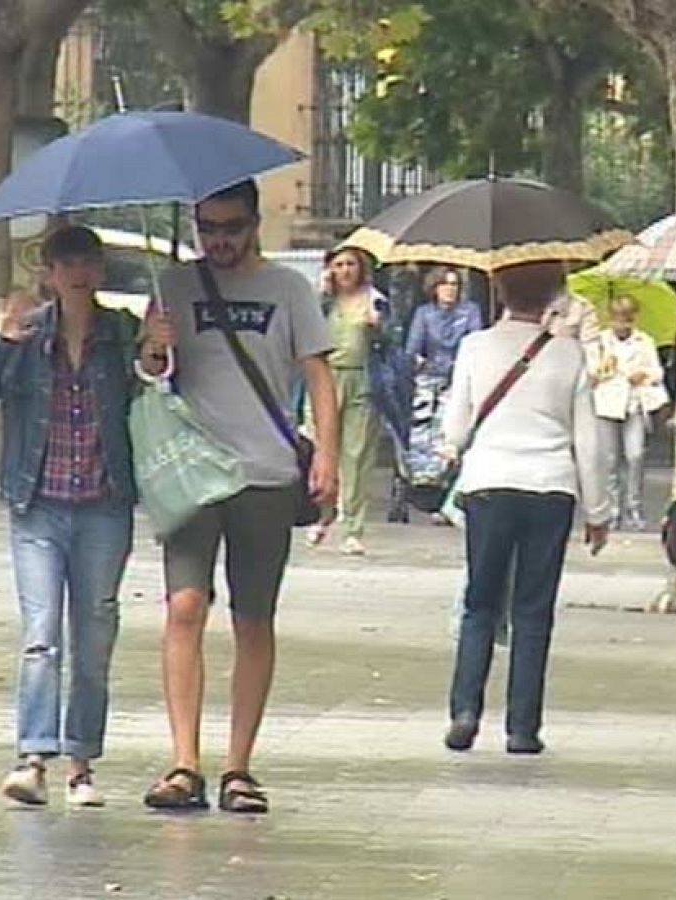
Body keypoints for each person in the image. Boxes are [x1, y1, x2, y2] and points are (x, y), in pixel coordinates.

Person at [141, 180, 340, 814]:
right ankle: (183, 762)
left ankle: (238, 766)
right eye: (207, 227)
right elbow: (150, 377)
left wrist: (329, 457)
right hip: (194, 474)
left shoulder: (288, 289)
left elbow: (318, 373)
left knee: (253, 617)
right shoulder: (173, 285)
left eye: (230, 226)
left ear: (255, 223)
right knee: (184, 607)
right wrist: (153, 348)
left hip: (264, 473)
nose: (219, 240)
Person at [0, 225, 161, 808]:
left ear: (99, 270)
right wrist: (2, 341)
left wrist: (155, 355)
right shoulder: (27, 333)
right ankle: (33, 757)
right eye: (64, 262)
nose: (76, 272)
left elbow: (155, 390)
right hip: (37, 505)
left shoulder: (120, 333)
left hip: (103, 503)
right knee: (42, 636)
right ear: (47, 271)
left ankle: (82, 761)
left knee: (95, 635)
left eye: (86, 261)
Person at [441, 260, 610, 756]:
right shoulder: (569, 355)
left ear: (498, 287)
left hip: (489, 484)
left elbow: (454, 430)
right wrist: (598, 512)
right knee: (533, 609)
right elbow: (590, 440)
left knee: (480, 601)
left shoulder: (475, 347)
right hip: (550, 488)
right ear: (556, 294)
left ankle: (465, 709)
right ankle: (522, 727)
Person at [306, 247, 387, 555]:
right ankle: (322, 515)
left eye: (350, 264)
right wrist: (321, 294)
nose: (345, 270)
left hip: (362, 379)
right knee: (322, 448)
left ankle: (353, 526)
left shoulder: (375, 299)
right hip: (325, 377)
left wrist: (377, 327)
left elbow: (393, 340)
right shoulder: (323, 301)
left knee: (357, 453)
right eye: (339, 264)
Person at [402, 266, 484, 522]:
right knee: (421, 429)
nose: (450, 289)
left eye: (454, 284)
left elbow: (475, 342)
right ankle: (423, 485)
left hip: (459, 377)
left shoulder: (469, 311)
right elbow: (413, 348)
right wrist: (419, 364)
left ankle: (447, 494)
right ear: (434, 288)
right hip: (429, 376)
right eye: (444, 284)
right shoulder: (424, 314)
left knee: (451, 433)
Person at [590, 296, 669, 531]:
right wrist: (603, 368)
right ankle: (612, 508)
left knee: (635, 456)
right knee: (609, 460)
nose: (622, 325)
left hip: (633, 403)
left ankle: (634, 505)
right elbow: (591, 371)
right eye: (618, 319)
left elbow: (657, 372)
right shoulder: (600, 341)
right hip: (607, 404)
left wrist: (643, 375)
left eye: (627, 320)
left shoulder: (644, 341)